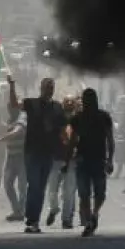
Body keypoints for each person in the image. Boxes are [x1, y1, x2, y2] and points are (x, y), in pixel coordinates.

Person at [10, 76, 65, 234]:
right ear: (41, 88)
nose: (50, 89)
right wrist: (12, 87)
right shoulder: (31, 103)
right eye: (47, 86)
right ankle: (32, 219)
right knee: (34, 185)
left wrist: (66, 150)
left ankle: (34, 220)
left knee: (40, 188)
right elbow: (15, 104)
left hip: (48, 153)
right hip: (32, 152)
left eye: (52, 86)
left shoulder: (57, 107)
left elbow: (63, 130)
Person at [65, 88, 114, 237]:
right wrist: (67, 160)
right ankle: (89, 221)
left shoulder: (104, 117)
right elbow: (73, 141)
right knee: (85, 194)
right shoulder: (77, 118)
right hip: (84, 160)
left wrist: (110, 159)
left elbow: (110, 139)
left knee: (99, 193)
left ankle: (93, 214)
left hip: (97, 159)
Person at [46, 95, 80, 230]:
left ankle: (66, 219)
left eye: (72, 102)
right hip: (56, 159)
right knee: (52, 190)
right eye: (67, 101)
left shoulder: (78, 121)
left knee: (69, 192)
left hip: (72, 160)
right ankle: (54, 209)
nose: (70, 103)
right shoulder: (56, 120)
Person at [0, 110, 28, 223]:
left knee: (22, 186)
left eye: (12, 105)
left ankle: (20, 211)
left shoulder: (22, 118)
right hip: (11, 156)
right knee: (7, 184)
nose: (9, 107)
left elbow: (17, 132)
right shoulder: (11, 119)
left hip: (21, 157)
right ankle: (17, 210)